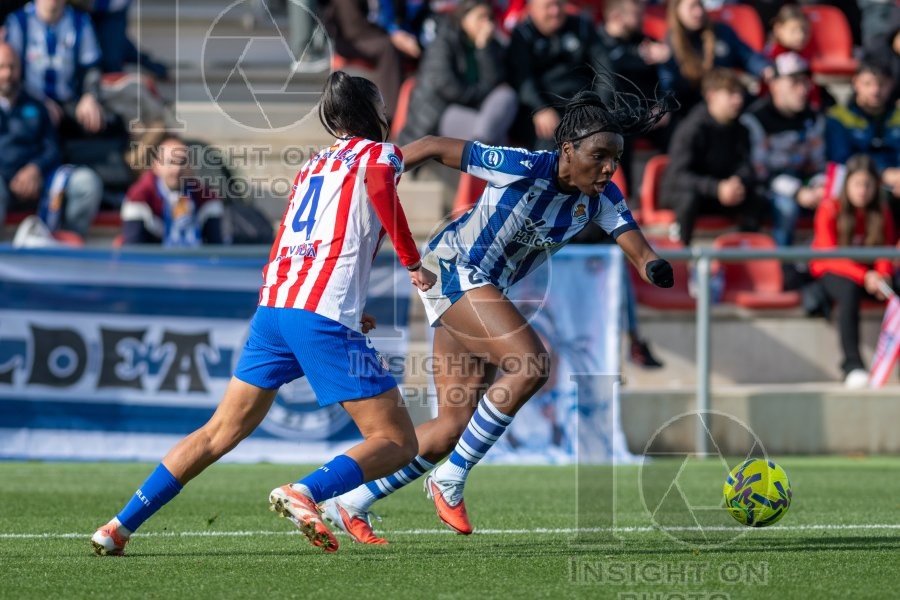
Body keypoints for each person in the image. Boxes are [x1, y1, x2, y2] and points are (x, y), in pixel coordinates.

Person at [90, 72, 437, 556]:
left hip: (277, 307)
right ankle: (307, 491)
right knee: (397, 441)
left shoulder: (312, 166)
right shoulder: (379, 154)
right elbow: (380, 183)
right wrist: (413, 262)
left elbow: (287, 239)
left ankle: (118, 526)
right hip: (318, 313)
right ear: (375, 114)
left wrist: (330, 305)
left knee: (217, 432)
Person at [320, 86, 676, 543]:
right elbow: (431, 145)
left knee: (451, 426)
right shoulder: (521, 165)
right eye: (600, 155)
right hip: (453, 269)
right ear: (567, 150)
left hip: (478, 289)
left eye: (616, 159)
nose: (609, 167)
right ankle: (450, 479)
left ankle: (350, 500)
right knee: (530, 364)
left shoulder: (600, 201)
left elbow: (637, 247)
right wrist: (382, 172)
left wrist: (654, 267)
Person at [809, 154, 896, 388]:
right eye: (857, 184)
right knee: (849, 291)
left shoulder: (881, 211)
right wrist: (865, 276)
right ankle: (852, 365)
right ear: (846, 184)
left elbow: (886, 249)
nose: (862, 191)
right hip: (833, 273)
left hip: (870, 276)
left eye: (868, 185)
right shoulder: (829, 208)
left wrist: (883, 274)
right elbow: (828, 256)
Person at [0, 42, 101, 238]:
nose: (7, 73)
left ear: (20, 69)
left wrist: (34, 169)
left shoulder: (37, 105)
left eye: (12, 67)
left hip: (40, 180)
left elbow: (53, 148)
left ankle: (69, 245)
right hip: (2, 182)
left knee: (87, 183)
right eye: (1, 67)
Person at [660, 68, 764, 245]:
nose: (738, 100)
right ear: (711, 96)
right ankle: (680, 258)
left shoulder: (741, 129)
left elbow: (746, 167)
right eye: (731, 93)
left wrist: (737, 183)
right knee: (688, 199)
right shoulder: (691, 129)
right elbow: (677, 176)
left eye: (740, 94)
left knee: (757, 197)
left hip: (720, 194)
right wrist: (716, 188)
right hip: (686, 194)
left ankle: (743, 258)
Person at [397, 0, 516, 146]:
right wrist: (477, 95)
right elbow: (445, 85)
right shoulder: (443, 41)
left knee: (506, 96)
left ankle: (480, 150)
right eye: (481, 17)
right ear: (464, 18)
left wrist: (483, 50)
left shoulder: (492, 47)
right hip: (440, 110)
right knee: (493, 135)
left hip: (476, 110)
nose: (487, 24)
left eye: (490, 18)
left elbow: (494, 83)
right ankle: (482, 151)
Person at [741, 52, 826, 246]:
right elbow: (760, 172)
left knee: (833, 200)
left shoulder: (813, 118)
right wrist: (796, 191)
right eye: (794, 83)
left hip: (804, 182)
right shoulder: (755, 120)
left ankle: (826, 264)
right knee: (787, 208)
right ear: (775, 85)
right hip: (767, 189)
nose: (802, 89)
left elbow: (817, 164)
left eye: (805, 82)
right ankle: (782, 267)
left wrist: (819, 186)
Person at [507, 0, 612, 149]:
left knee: (614, 135)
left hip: (583, 107)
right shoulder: (523, 34)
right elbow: (522, 79)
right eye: (548, 6)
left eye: (559, 4)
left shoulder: (582, 26)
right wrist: (539, 108)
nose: (555, 11)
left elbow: (604, 70)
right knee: (550, 142)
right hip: (542, 110)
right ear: (532, 9)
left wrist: (599, 107)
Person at [597, 0, 673, 191]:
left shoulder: (646, 42)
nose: (642, 18)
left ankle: (670, 191)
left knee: (680, 131)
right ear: (615, 17)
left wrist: (662, 105)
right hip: (618, 114)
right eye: (635, 14)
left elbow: (664, 84)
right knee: (619, 131)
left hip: (651, 114)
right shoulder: (597, 42)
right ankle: (624, 196)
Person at [4, 0, 110, 137]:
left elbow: (91, 67)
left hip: (70, 102)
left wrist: (89, 96)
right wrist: (39, 102)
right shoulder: (18, 22)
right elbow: (9, 72)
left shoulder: (80, 22)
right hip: (28, 101)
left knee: (101, 123)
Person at [659, 0, 771, 120]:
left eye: (700, 5)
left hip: (729, 99)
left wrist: (764, 68)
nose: (698, 12)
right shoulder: (671, 44)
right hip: (693, 109)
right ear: (677, 11)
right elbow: (669, 84)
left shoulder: (721, 31)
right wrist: (665, 107)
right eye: (692, 7)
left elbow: (747, 56)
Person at [825, 61, 900, 225]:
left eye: (881, 84)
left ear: (891, 84)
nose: (875, 90)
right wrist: (882, 174)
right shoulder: (839, 117)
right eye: (868, 84)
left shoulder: (898, 115)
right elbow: (841, 160)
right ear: (855, 83)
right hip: (858, 184)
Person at [119, 136, 226, 246]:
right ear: (156, 166)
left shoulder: (206, 198)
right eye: (171, 162)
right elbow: (133, 250)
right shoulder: (139, 197)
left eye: (182, 162)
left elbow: (216, 248)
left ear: (191, 166)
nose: (177, 169)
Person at [321, 0, 406, 120]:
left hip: (370, 35)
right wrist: (391, 36)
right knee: (387, 48)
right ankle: (388, 115)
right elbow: (353, 30)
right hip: (352, 42)